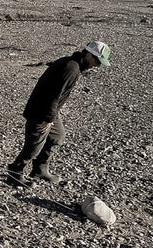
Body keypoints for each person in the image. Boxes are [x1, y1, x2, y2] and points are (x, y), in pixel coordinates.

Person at [7, 41, 112, 187]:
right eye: (97, 61)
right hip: (40, 112)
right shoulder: (71, 68)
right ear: (89, 54)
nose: (97, 65)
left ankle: (40, 169)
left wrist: (53, 115)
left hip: (50, 111)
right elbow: (53, 95)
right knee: (34, 145)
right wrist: (49, 119)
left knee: (57, 136)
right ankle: (15, 172)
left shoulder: (72, 64)